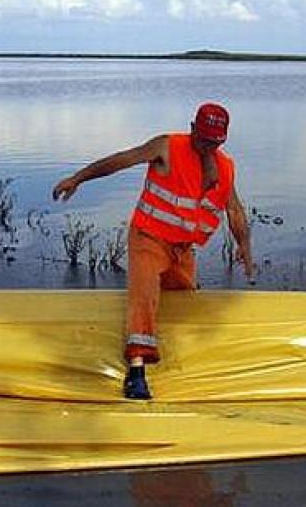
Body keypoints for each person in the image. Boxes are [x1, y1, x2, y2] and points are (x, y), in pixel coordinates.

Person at [52, 102, 255, 400]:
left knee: (184, 297)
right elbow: (122, 160)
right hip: (149, 237)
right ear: (192, 128)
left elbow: (234, 210)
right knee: (144, 292)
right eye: (203, 140)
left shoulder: (225, 167)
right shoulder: (167, 147)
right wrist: (78, 178)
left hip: (182, 249)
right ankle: (136, 370)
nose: (208, 146)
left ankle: (182, 361)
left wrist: (244, 247)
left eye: (215, 142)